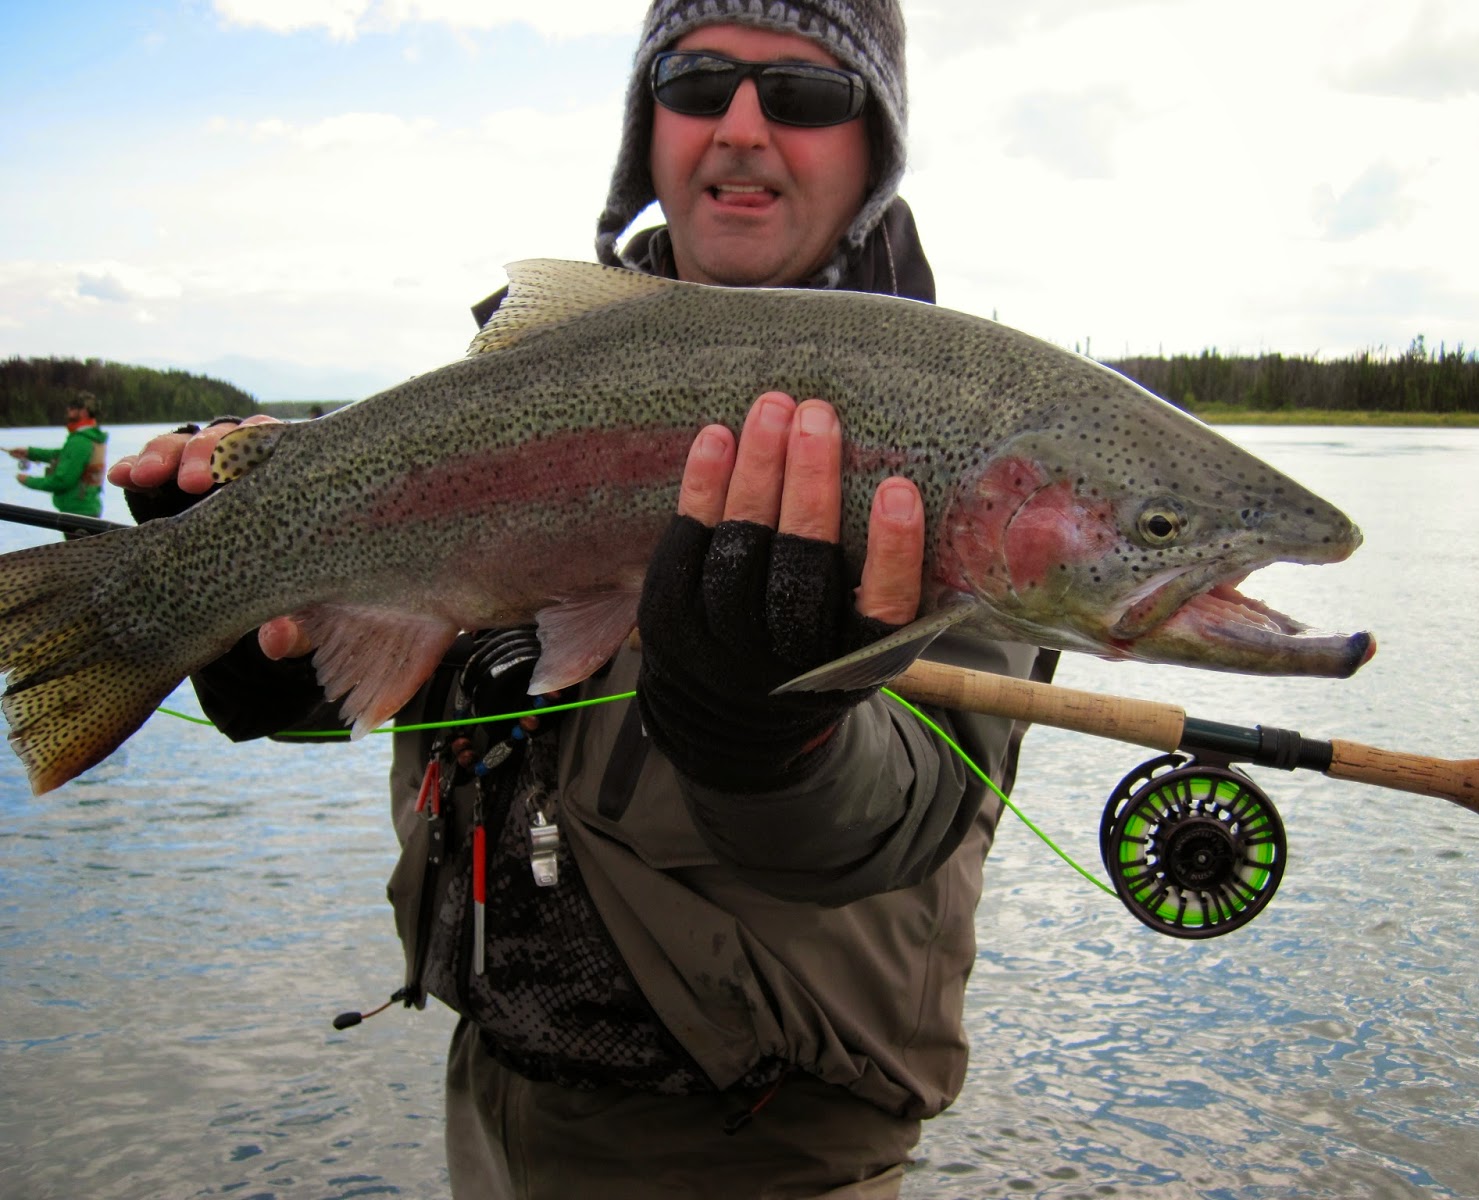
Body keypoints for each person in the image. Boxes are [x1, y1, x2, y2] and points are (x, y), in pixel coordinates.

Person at [108, 2, 1056, 1196]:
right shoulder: (517, 384)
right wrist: (237, 625)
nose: (744, 128)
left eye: (806, 95)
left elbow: (896, 820)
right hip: (489, 1110)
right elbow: (419, 675)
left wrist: (770, 728)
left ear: (873, 145)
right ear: (644, 131)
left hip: (757, 1156)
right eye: (698, 82)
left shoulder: (969, 433)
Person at [9, 390, 109, 530]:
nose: (68, 410)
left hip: (78, 513)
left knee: (76, 552)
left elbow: (62, 481)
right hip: (86, 509)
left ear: (84, 412)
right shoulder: (89, 437)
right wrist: (29, 453)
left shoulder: (80, 441)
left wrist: (28, 481)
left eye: (73, 407)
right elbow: (63, 455)